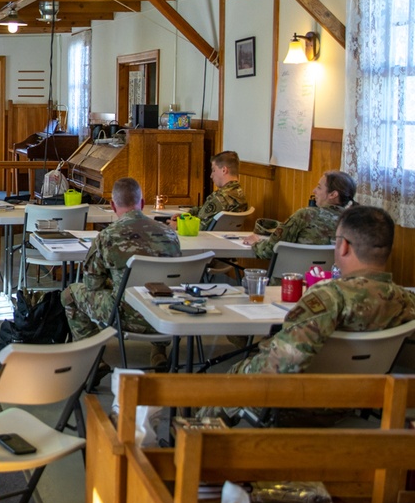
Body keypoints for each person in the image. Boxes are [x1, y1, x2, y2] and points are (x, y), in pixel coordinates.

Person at [232, 205, 415, 376]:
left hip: (303, 403)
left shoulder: (328, 298)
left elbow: (281, 363)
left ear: (343, 246)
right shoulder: (407, 301)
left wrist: (236, 372)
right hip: (370, 400)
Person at [61, 177, 181, 368]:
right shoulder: (170, 235)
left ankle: (93, 359)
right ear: (142, 203)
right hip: (165, 316)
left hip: (125, 316)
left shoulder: (107, 236)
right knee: (158, 290)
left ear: (112, 205)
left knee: (70, 294)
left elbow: (92, 284)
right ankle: (159, 351)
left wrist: (114, 282)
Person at [244, 170, 356, 259]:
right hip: (331, 283)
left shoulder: (305, 215)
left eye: (319, 187)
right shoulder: (354, 222)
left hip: (293, 282)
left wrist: (256, 243)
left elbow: (269, 250)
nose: (314, 191)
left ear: (333, 194)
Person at [169, 150, 248, 230]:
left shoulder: (220, 199)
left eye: (213, 170)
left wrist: (178, 226)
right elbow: (205, 212)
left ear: (224, 170)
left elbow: (201, 227)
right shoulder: (240, 194)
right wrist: (186, 215)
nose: (211, 175)